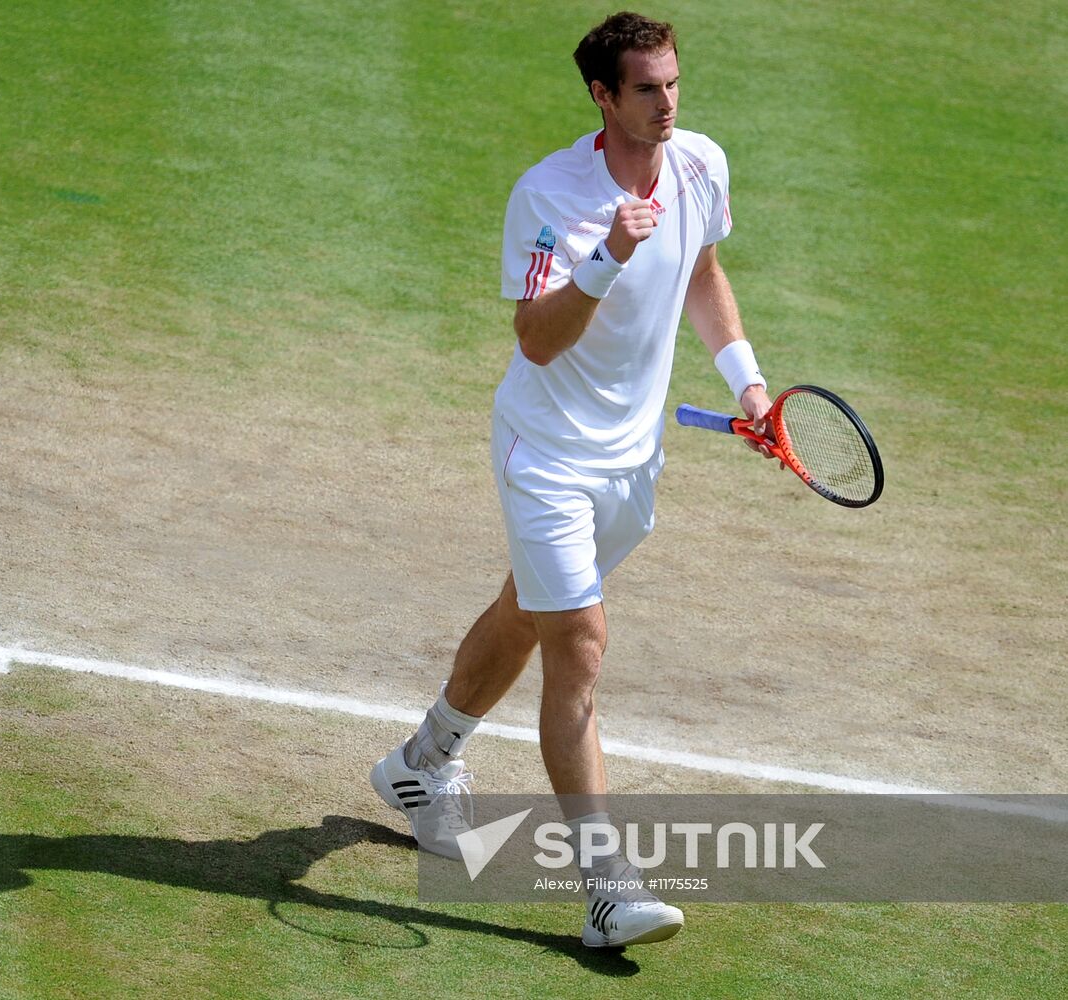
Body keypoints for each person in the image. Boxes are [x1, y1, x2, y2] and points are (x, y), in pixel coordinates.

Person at [371, 11, 775, 948]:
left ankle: (421, 763)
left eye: (674, 83)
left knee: (530, 614)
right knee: (580, 643)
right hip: (545, 456)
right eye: (647, 88)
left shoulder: (700, 165)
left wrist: (746, 380)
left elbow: (705, 271)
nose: (668, 103)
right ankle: (607, 890)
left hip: (632, 464)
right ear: (603, 95)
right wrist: (609, 256)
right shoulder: (550, 195)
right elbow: (537, 341)